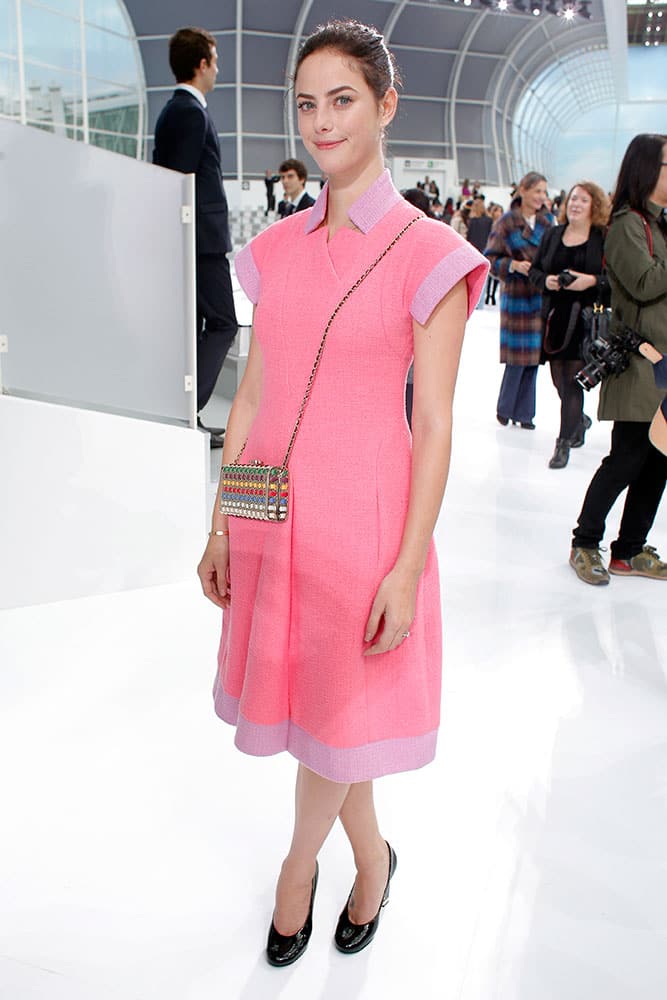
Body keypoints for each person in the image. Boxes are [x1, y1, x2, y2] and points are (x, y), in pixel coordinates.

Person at [197, 18, 488, 966]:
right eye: (308, 105)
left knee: (332, 720)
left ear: (385, 105)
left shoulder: (427, 250)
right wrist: (221, 521)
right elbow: (253, 392)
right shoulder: (275, 251)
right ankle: (373, 861)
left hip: (361, 527)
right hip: (272, 520)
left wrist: (407, 565)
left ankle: (297, 873)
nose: (322, 123)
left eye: (343, 100)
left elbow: (436, 422)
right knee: (329, 720)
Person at [570, 133, 667, 585]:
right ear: (648, 170)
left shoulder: (659, 224)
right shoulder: (629, 223)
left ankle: (630, 549)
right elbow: (646, 284)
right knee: (627, 459)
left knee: (660, 461)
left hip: (663, 365)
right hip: (640, 365)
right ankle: (586, 542)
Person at [152, 27, 238, 448]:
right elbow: (180, 180)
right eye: (216, 61)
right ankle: (186, 411)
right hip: (201, 241)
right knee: (223, 322)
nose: (218, 70)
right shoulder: (189, 112)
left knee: (201, 325)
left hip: (193, 239)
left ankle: (187, 413)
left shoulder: (177, 110)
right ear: (201, 64)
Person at [529, 182, 609, 468]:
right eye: (573, 198)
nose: (575, 204)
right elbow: (536, 271)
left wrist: (590, 281)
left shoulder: (602, 237)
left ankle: (563, 444)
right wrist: (547, 281)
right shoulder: (553, 235)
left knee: (572, 383)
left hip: (585, 320)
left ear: (594, 206)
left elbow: (613, 281)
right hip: (555, 319)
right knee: (558, 382)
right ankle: (579, 420)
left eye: (583, 200)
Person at [485, 172, 552, 429]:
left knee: (533, 359)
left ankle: (525, 413)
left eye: (544, 192)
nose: (541, 197)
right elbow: (489, 259)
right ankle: (506, 408)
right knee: (516, 359)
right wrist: (512, 265)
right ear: (522, 190)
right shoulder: (506, 222)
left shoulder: (548, 223)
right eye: (537, 191)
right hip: (516, 296)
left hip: (539, 297)